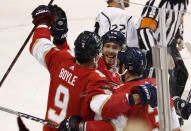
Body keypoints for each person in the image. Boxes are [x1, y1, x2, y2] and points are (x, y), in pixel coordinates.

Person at [29, 5, 157, 131]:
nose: (111, 52)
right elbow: (106, 107)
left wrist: (44, 24)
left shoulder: (60, 58)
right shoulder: (95, 77)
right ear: (97, 54)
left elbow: (40, 45)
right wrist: (138, 96)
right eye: (107, 46)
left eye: (115, 47)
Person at [137, 0, 189, 77]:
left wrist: (178, 36)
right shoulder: (158, 2)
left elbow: (179, 19)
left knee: (181, 74)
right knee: (151, 80)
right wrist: (161, 54)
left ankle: (169, 89)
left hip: (167, 44)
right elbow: (145, 30)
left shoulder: (183, 2)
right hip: (148, 45)